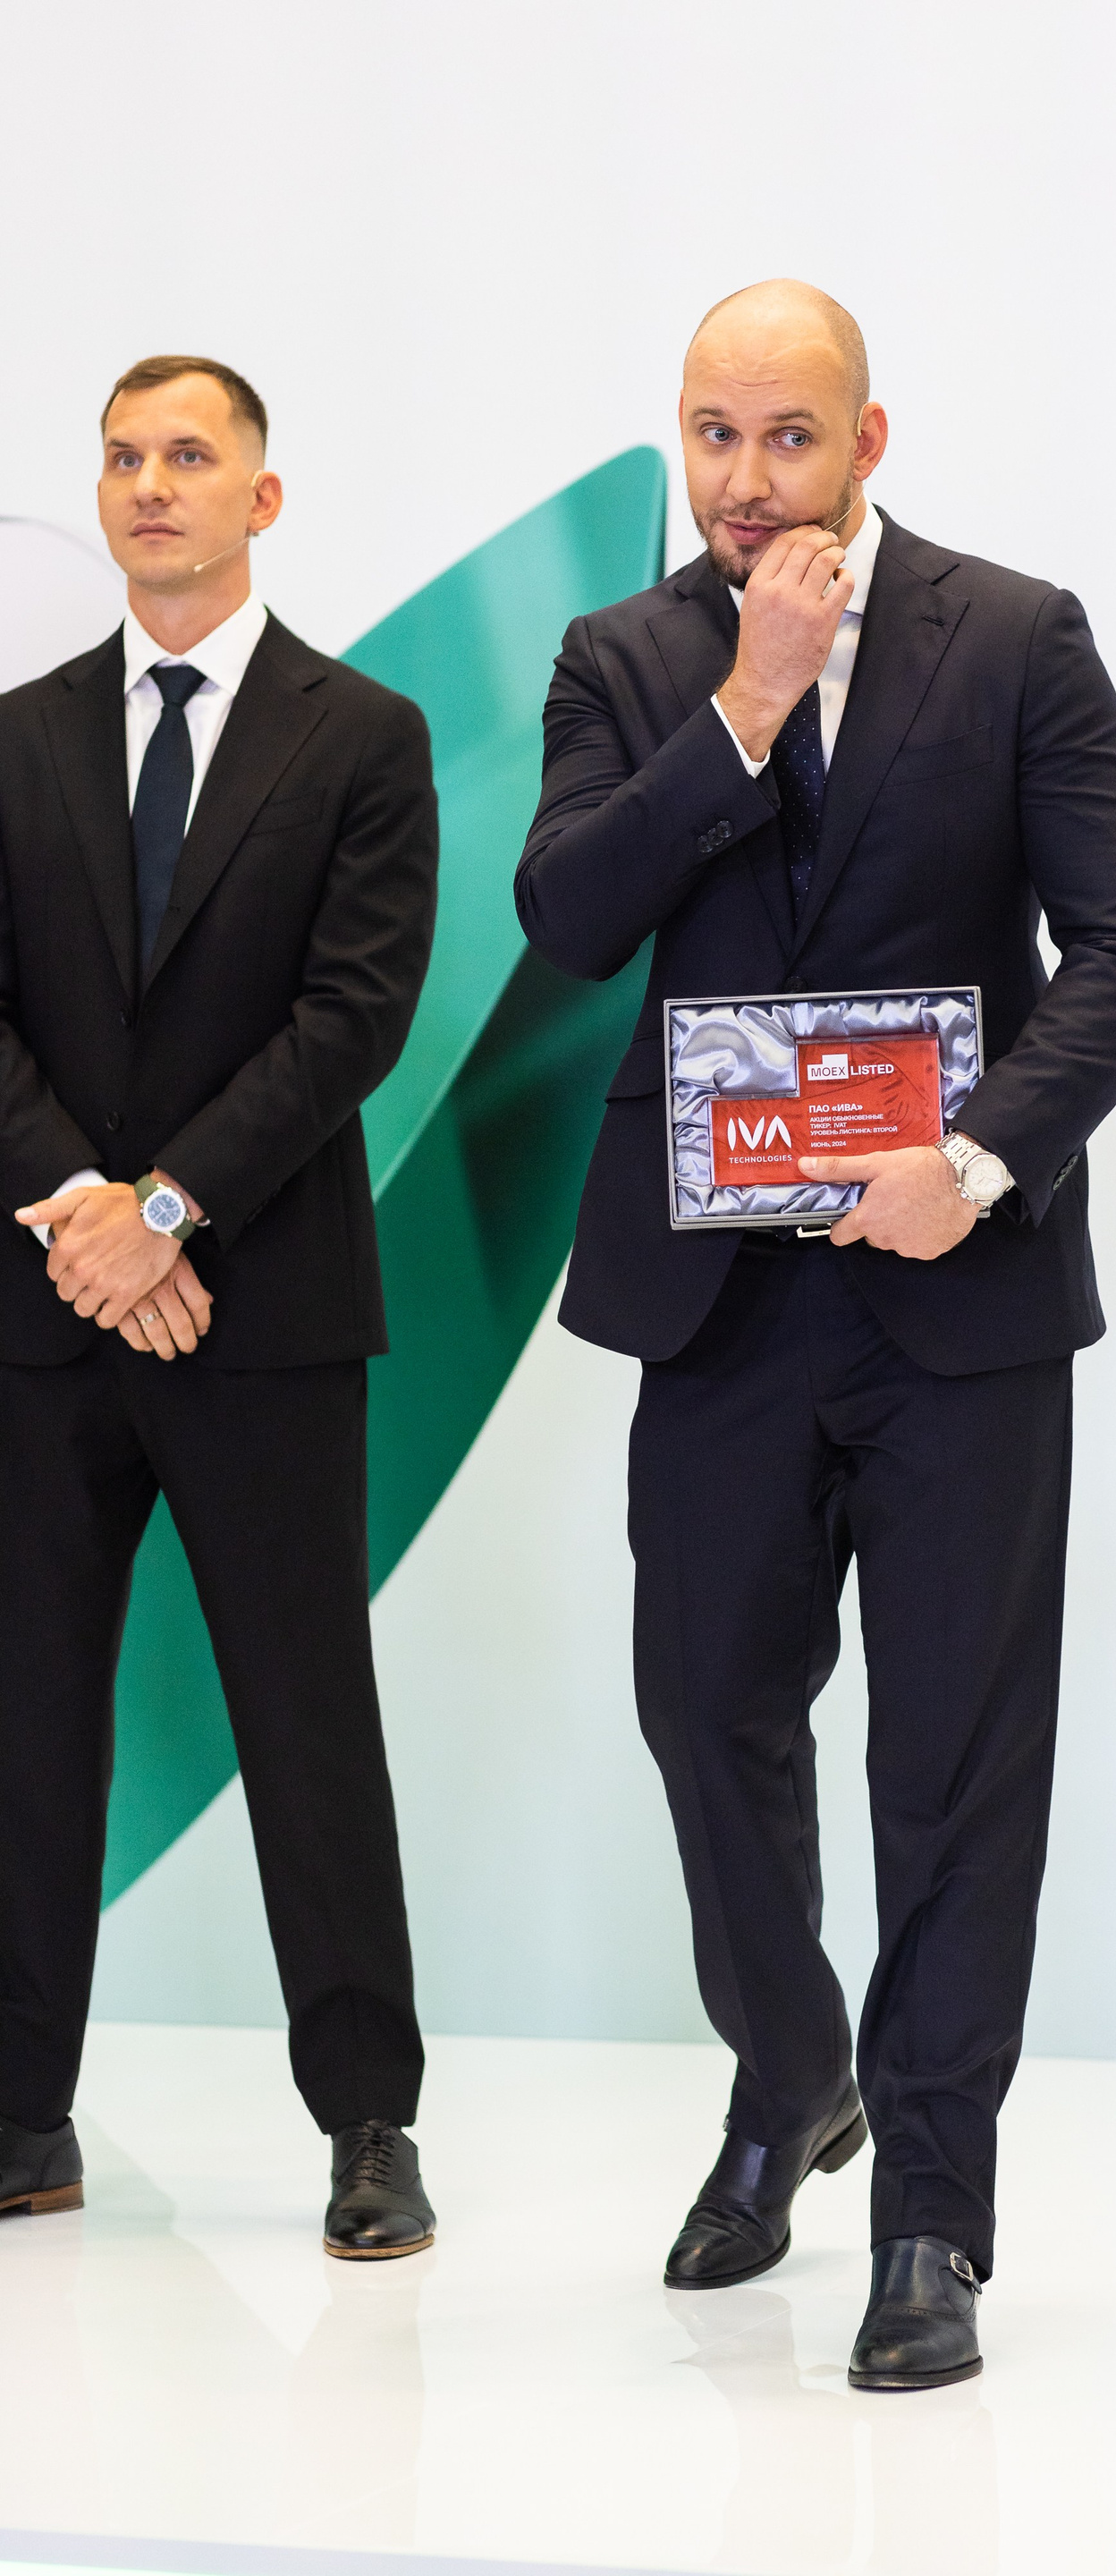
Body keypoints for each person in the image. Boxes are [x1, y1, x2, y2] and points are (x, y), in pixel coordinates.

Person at [516, 281, 1116, 2386]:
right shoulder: (627, 659)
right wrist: (746, 704)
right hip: (717, 1300)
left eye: (787, 437)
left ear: (868, 442)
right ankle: (790, 2063)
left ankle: (929, 2221)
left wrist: (975, 1161)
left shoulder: (1018, 636)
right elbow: (567, 919)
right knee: (704, 1713)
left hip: (955, 1295)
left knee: (955, 1763)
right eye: (712, 435)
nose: (744, 479)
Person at [0, 355, 439, 2258]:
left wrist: (166, 1214)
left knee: (306, 1720)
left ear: (262, 498)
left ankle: (369, 2125)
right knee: (27, 1724)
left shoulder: (364, 735)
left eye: (190, 456)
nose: (150, 485)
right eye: (123, 457)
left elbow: (357, 1013)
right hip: (43, 1317)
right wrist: (86, 1223)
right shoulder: (12, 740)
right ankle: (20, 2112)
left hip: (262, 1314)